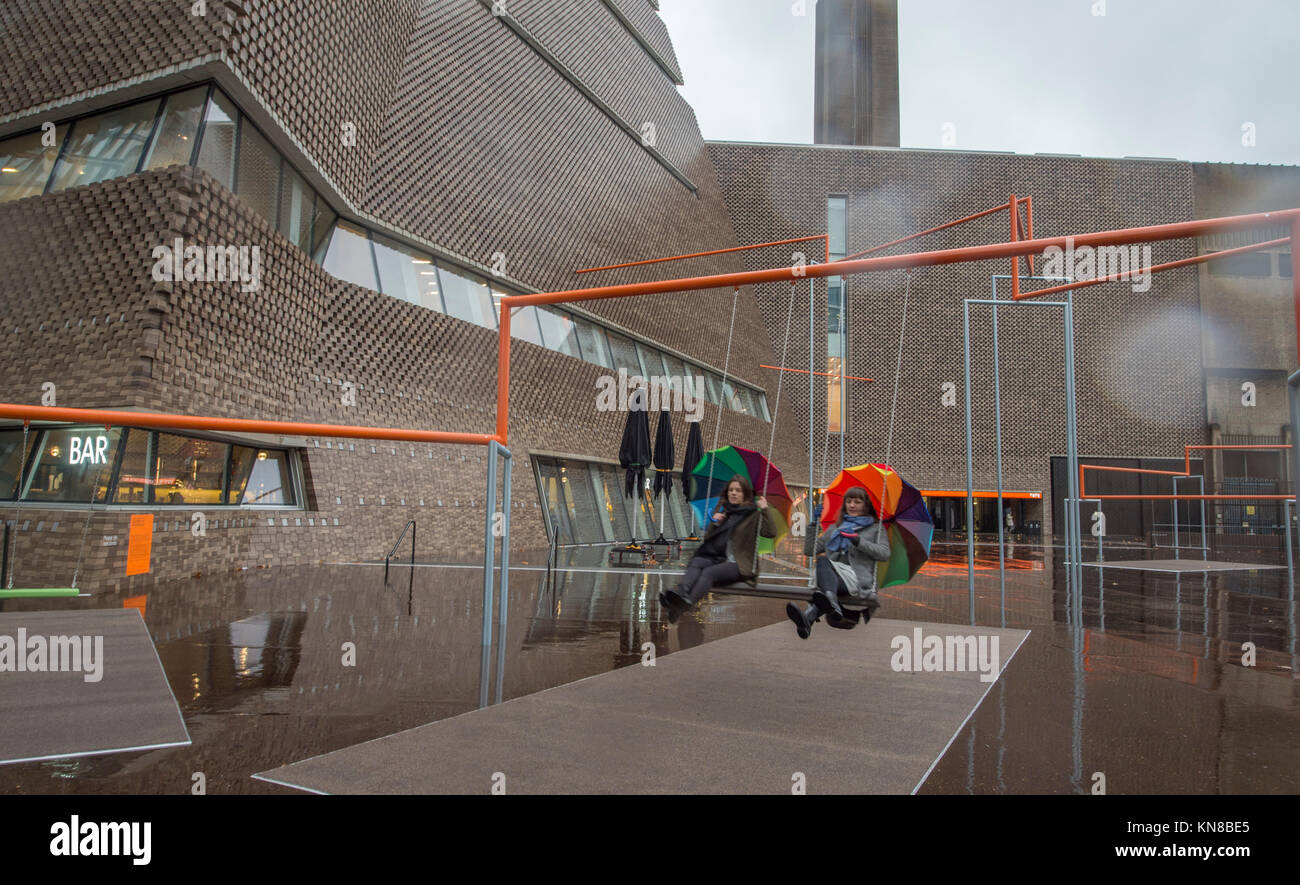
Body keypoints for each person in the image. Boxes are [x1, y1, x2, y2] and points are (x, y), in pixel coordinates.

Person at [659, 475, 778, 622]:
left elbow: (770, 532)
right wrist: (715, 523)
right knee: (697, 561)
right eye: (731, 490)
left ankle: (685, 605)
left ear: (745, 494)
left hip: (739, 564)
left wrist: (765, 509)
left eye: (738, 490)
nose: (733, 493)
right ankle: (680, 594)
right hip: (720, 559)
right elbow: (710, 542)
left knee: (709, 572)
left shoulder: (753, 515)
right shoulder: (727, 513)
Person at [788, 486, 890, 639]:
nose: (852, 505)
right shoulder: (836, 528)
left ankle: (811, 615)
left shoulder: (875, 529)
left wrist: (858, 540)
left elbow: (884, 554)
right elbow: (810, 550)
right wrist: (814, 524)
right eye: (849, 501)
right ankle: (823, 608)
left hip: (857, 579)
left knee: (823, 562)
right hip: (836, 579)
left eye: (857, 502)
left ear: (865, 505)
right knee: (823, 561)